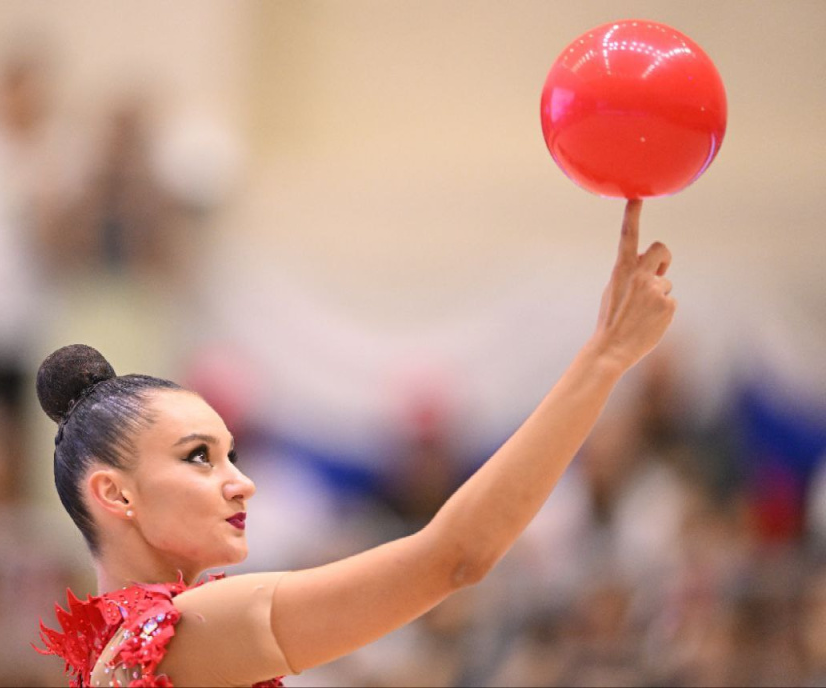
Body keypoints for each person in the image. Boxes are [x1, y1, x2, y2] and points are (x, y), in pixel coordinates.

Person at [35, 200, 676, 687]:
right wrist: (604, 359)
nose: (241, 480)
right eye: (198, 456)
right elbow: (455, 558)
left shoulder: (118, 640)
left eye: (231, 454)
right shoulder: (192, 626)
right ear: (114, 493)